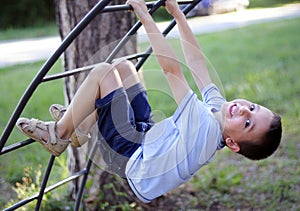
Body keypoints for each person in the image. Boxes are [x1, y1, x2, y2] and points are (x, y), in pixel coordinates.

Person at [16, 0, 282, 203]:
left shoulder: (206, 128)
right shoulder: (218, 113)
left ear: (233, 143)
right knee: (123, 68)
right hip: (148, 140)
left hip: (133, 159)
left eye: (247, 122)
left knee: (102, 73)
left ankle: (59, 134)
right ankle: (81, 128)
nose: (245, 109)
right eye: (254, 107)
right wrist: (177, 13)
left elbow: (172, 71)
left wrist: (144, 14)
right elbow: (197, 61)